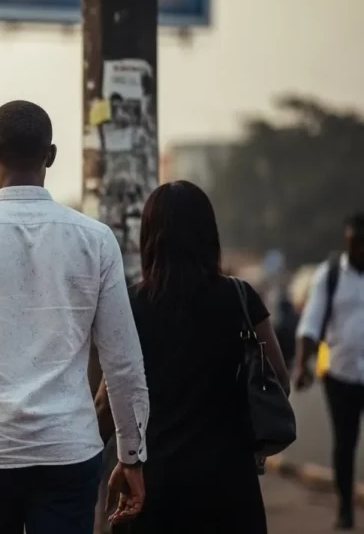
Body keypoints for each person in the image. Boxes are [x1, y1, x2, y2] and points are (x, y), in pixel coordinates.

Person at [0, 100, 149, 534]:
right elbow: (123, 363)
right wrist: (132, 454)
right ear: (50, 156)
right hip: (69, 451)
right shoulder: (96, 241)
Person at [95, 181, 289, 534]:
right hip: (229, 486)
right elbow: (278, 379)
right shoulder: (240, 298)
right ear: (209, 235)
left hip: (153, 486)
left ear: (150, 237)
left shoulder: (131, 306)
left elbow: (108, 406)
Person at [293, 212, 364, 530]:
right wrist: (301, 364)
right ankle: (345, 508)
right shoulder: (330, 275)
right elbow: (311, 323)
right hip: (341, 373)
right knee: (344, 442)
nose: (358, 249)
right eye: (353, 243)